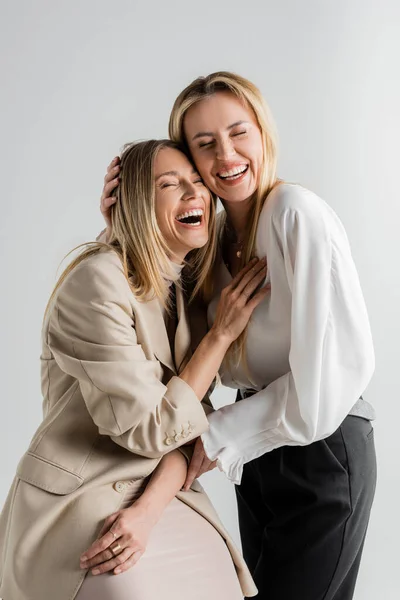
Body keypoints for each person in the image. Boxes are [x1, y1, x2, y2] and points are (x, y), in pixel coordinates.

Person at [101, 72, 377, 600]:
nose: (226, 156)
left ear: (263, 133)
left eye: (238, 133)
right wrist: (121, 225)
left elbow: (323, 391)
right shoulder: (213, 238)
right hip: (257, 453)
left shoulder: (295, 214)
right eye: (205, 145)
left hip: (324, 448)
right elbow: (146, 321)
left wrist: (213, 437)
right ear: (192, 164)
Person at [0, 139, 271, 600]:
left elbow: (188, 437)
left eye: (198, 183)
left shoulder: (187, 292)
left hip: (163, 491)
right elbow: (152, 430)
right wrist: (220, 337)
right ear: (138, 205)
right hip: (81, 497)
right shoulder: (96, 282)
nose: (195, 194)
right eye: (170, 184)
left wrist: (147, 510)